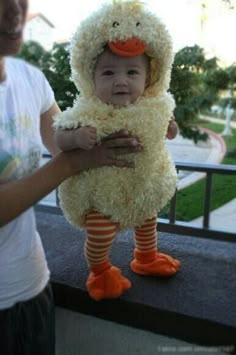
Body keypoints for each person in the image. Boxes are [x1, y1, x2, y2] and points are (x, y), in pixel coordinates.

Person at [0, 0, 145, 354]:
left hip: (31, 286)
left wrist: (124, 124)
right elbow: (69, 162)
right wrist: (69, 166)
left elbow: (68, 140)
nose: (14, 9)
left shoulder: (29, 79)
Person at [54, 0, 180, 302]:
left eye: (132, 72)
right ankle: (99, 270)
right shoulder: (90, 109)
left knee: (148, 217)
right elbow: (59, 135)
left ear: (149, 76)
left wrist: (170, 127)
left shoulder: (154, 105)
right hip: (102, 194)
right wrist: (78, 138)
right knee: (100, 231)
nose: (121, 81)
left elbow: (167, 124)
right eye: (108, 73)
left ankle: (145, 256)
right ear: (90, 77)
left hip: (144, 184)